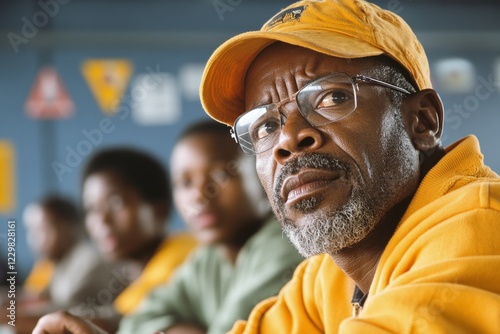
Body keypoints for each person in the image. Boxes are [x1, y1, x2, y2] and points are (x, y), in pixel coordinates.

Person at [198, 0, 500, 332]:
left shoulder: (480, 227)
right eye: (266, 127)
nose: (287, 139)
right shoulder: (326, 277)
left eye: (331, 97)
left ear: (422, 122)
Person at [33, 120, 304, 334]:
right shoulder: (209, 260)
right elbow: (137, 321)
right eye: (185, 183)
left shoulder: (283, 246)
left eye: (221, 174)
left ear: (263, 171)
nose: (199, 195)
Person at [76, 147, 198, 331]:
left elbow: (124, 320)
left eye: (116, 203)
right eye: (92, 209)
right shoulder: (133, 271)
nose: (102, 220)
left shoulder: (183, 258)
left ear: (159, 209)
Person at [5, 194, 119, 333]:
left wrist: (10, 316)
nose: (35, 239)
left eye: (43, 229)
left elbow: (65, 311)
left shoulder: (90, 261)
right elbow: (39, 296)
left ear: (69, 227)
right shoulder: (56, 263)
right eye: (31, 230)